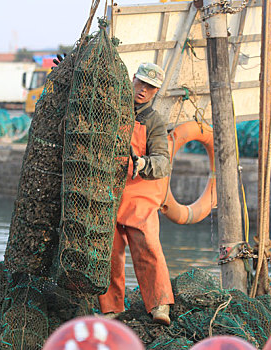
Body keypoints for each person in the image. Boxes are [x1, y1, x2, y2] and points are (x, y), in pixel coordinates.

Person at [98, 62, 174, 326]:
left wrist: (144, 164)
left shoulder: (154, 121)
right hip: (109, 192)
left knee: (149, 247)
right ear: (132, 79)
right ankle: (111, 307)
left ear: (155, 92)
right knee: (109, 251)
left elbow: (163, 161)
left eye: (150, 87)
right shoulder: (113, 110)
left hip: (140, 194)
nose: (143, 90)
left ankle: (160, 305)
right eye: (141, 83)